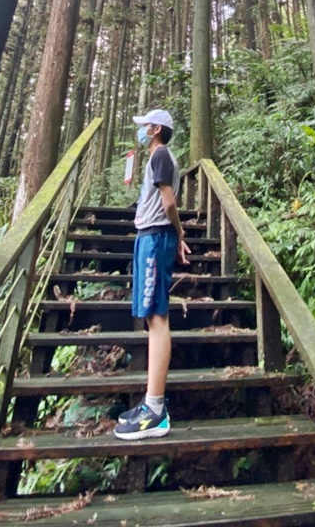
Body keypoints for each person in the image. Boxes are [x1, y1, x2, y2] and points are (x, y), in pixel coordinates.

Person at [113, 108, 191, 440]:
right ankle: (150, 402)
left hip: (157, 236)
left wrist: (179, 234)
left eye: (145, 126)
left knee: (157, 317)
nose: (141, 130)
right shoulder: (158, 158)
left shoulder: (160, 156)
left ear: (156, 128)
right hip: (154, 236)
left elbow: (169, 203)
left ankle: (156, 409)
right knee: (152, 317)